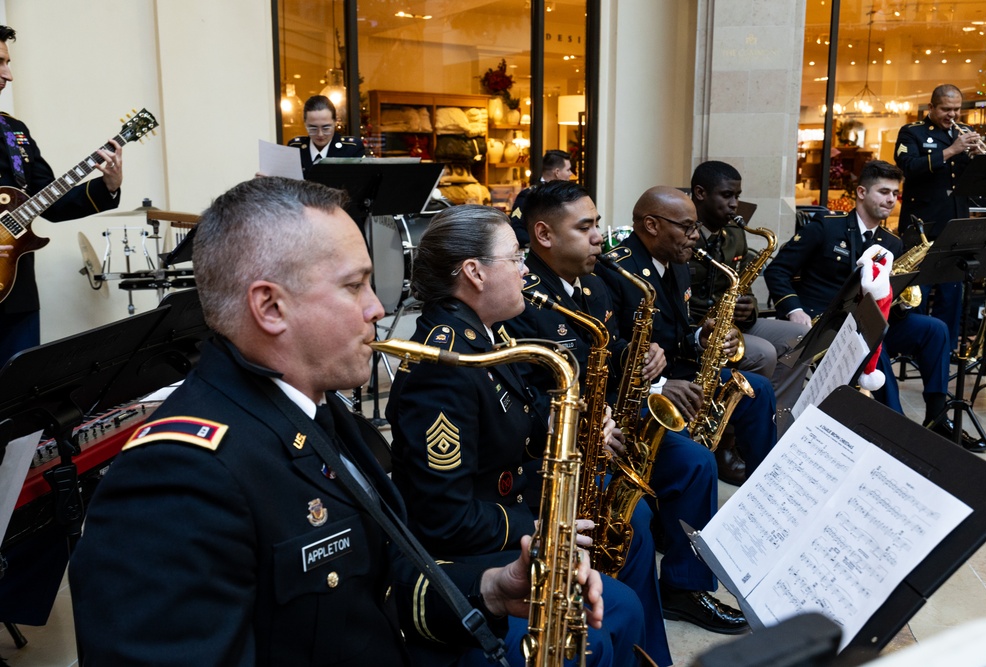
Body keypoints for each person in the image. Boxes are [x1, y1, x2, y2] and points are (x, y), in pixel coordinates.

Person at [69, 178, 604, 666]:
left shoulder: (317, 410)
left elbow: (376, 582)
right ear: (271, 307)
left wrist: (490, 588)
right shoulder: (176, 476)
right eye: (355, 286)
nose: (377, 308)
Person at [385, 204, 646, 666]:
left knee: (628, 561)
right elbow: (444, 519)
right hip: (465, 556)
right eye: (516, 257)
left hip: (506, 513)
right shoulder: (445, 367)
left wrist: (578, 426)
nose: (527, 269)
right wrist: (542, 529)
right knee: (610, 615)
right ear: (474, 273)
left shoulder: (485, 336)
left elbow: (513, 421)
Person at [500, 180, 747, 647]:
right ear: (544, 235)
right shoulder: (522, 298)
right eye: (587, 227)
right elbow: (527, 392)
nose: (600, 236)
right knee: (631, 527)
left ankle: (684, 587)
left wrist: (647, 358)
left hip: (617, 422)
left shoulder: (593, 284)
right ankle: (631, 639)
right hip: (572, 442)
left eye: (597, 224)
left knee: (695, 463)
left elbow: (608, 350)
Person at [764, 160, 985, 452]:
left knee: (934, 329)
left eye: (895, 193)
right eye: (883, 191)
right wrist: (794, 310)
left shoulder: (891, 243)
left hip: (869, 322)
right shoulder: (825, 228)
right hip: (826, 325)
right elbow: (777, 271)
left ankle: (937, 416)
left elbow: (886, 295)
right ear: (861, 192)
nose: (891, 199)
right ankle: (896, 430)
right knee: (872, 337)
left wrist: (901, 301)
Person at [596, 187, 778, 476]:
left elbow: (678, 328)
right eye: (687, 227)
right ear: (652, 225)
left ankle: (762, 482)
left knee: (759, 389)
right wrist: (656, 386)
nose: (695, 235)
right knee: (691, 454)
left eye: (696, 226)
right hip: (640, 391)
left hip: (682, 375)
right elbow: (610, 352)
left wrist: (700, 337)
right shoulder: (616, 270)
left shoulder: (678, 262)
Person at [0, 25, 123, 363]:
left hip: (17, 292)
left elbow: (48, 201)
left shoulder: (15, 133)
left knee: (17, 397)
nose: (8, 74)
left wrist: (108, 185)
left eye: (8, 62)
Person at [689, 161, 810, 447]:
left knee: (799, 337)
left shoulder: (735, 233)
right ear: (700, 193)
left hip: (733, 323)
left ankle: (770, 425)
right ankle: (732, 438)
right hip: (699, 327)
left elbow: (744, 286)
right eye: (727, 195)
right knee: (765, 353)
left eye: (737, 196)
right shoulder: (683, 233)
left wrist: (749, 307)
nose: (734, 205)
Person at [894, 84, 985, 350]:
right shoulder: (912, 132)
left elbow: (974, 183)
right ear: (931, 107)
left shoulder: (964, 133)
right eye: (946, 109)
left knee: (951, 294)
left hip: (956, 225)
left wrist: (978, 159)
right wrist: (953, 149)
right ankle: (912, 348)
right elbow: (909, 167)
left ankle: (942, 349)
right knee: (917, 293)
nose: (952, 115)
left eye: (957, 109)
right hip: (923, 224)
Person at [508, 149, 573, 247]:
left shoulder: (567, 196)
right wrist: (539, 245)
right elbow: (517, 228)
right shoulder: (528, 195)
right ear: (557, 172)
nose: (570, 174)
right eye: (568, 170)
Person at [288, 95, 365, 171]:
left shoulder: (351, 149)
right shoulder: (295, 149)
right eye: (313, 128)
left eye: (326, 128)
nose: (320, 134)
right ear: (305, 124)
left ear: (335, 122)